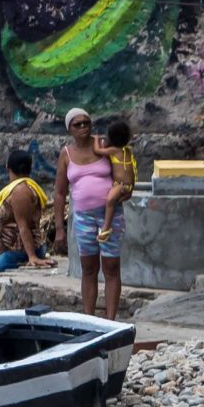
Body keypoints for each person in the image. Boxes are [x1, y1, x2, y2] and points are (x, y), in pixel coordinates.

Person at [55, 107, 123, 319]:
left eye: (86, 123)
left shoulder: (103, 144)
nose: (83, 127)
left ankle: (110, 320)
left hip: (110, 214)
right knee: (88, 267)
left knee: (111, 266)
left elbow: (122, 168)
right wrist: (60, 228)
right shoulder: (66, 154)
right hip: (83, 217)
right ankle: (89, 318)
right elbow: (59, 192)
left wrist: (123, 189)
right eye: (78, 124)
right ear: (70, 129)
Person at [0, 147, 54, 279]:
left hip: (18, 252)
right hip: (9, 252)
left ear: (7, 168)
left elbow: (24, 226)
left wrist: (32, 257)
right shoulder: (17, 189)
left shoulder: (20, 191)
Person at [98, 118, 139, 246]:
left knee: (109, 201)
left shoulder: (113, 151)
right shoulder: (127, 150)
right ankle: (107, 226)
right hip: (127, 185)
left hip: (120, 185)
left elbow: (97, 151)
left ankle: (106, 228)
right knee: (113, 202)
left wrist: (96, 140)